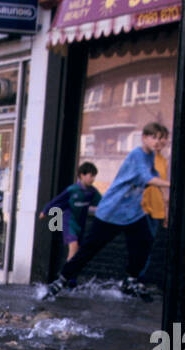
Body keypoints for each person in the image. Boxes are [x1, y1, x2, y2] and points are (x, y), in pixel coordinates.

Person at [47, 122, 170, 299]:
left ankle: (131, 280)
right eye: (154, 137)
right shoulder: (138, 154)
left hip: (132, 212)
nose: (158, 141)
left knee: (144, 242)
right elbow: (146, 177)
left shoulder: (150, 155)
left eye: (161, 138)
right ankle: (62, 279)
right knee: (90, 248)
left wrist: (164, 193)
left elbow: (153, 175)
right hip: (113, 211)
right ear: (144, 137)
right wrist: (172, 185)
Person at [39, 162, 101, 281]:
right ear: (82, 175)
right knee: (74, 247)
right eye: (91, 175)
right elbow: (57, 200)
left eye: (94, 176)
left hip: (80, 225)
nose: (93, 179)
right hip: (69, 223)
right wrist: (45, 211)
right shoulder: (73, 190)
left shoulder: (92, 192)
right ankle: (66, 278)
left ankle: (70, 278)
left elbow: (102, 203)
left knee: (77, 252)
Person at [139, 138, 168, 284]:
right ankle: (134, 278)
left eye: (163, 139)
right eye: (157, 138)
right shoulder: (143, 159)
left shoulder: (163, 161)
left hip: (157, 208)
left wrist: (166, 210)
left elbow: (164, 187)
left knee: (149, 244)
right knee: (141, 243)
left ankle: (139, 278)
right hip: (142, 207)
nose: (160, 142)